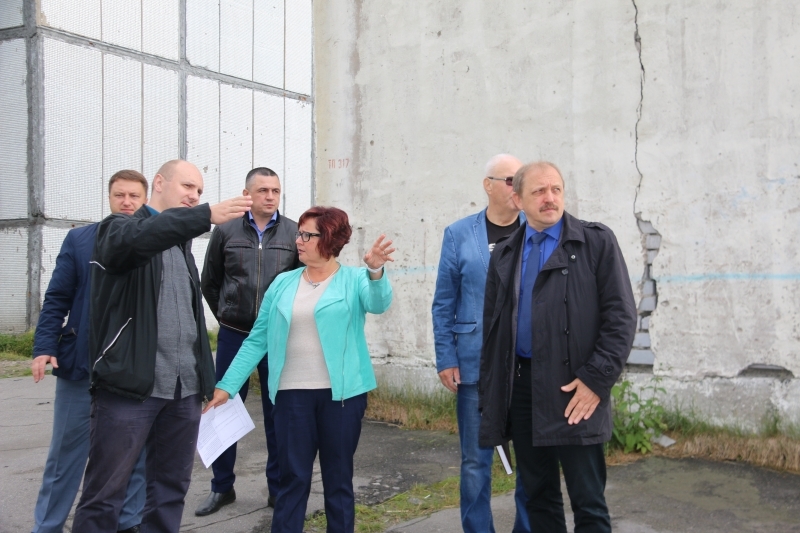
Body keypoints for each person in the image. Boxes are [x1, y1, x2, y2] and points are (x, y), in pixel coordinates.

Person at [72, 160, 252, 532]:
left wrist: (205, 381)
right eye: (188, 186)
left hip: (183, 392)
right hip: (129, 388)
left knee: (170, 489)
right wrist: (204, 215)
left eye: (199, 191)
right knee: (105, 493)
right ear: (159, 182)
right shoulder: (120, 229)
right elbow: (139, 239)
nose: (194, 196)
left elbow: (191, 322)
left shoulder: (182, 249)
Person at [203, 206, 394, 533]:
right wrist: (227, 385)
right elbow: (257, 338)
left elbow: (379, 303)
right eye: (299, 234)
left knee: (338, 479)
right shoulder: (283, 282)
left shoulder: (354, 280)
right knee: (291, 479)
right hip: (291, 398)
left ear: (330, 239)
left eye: (308, 235)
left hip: (342, 398)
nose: (298, 240)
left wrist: (375, 270)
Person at [479, 161, 637, 532]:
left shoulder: (596, 242)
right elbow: (493, 331)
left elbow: (621, 318)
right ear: (518, 200)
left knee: (589, 502)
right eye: (539, 191)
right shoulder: (505, 253)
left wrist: (595, 380)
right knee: (538, 498)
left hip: (576, 389)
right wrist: (494, 394)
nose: (550, 198)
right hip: (523, 391)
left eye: (556, 189)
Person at [30, 170, 149, 533]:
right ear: (109, 197)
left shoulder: (155, 242)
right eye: (119, 195)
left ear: (145, 199)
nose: (126, 202)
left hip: (133, 367)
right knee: (66, 455)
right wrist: (44, 346)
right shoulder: (80, 239)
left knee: (135, 453)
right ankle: (48, 526)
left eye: (134, 196)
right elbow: (57, 298)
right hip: (81, 365)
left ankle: (128, 522)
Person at [431, 154, 531, 533]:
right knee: (475, 462)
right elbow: (444, 301)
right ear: (488, 185)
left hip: (526, 366)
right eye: (509, 180)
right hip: (475, 364)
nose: (517, 187)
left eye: (521, 180)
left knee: (532, 462)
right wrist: (446, 357)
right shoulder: (458, 234)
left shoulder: (537, 230)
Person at [196, 167, 299, 515]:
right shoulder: (225, 230)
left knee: (277, 414)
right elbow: (209, 282)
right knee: (222, 409)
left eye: (276, 191)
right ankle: (222, 487)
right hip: (234, 336)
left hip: (276, 338)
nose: (270, 196)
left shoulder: (294, 233)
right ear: (247, 194)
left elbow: (299, 283)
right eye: (263, 190)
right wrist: (227, 314)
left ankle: (277, 490)